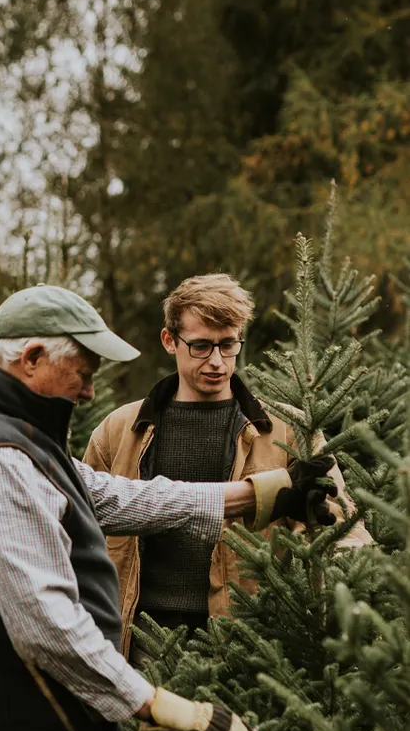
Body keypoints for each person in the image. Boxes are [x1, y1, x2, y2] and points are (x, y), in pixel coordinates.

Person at [0, 285, 337, 731]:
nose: (90, 389)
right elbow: (44, 623)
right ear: (32, 358)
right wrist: (160, 704)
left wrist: (261, 494)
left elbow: (122, 498)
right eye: (82, 371)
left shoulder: (11, 434)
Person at [83, 274, 370, 662]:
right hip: (139, 641)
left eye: (228, 344)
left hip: (245, 641)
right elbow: (82, 539)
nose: (217, 361)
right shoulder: (118, 430)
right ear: (170, 341)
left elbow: (342, 528)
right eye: (200, 346)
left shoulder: (289, 428)